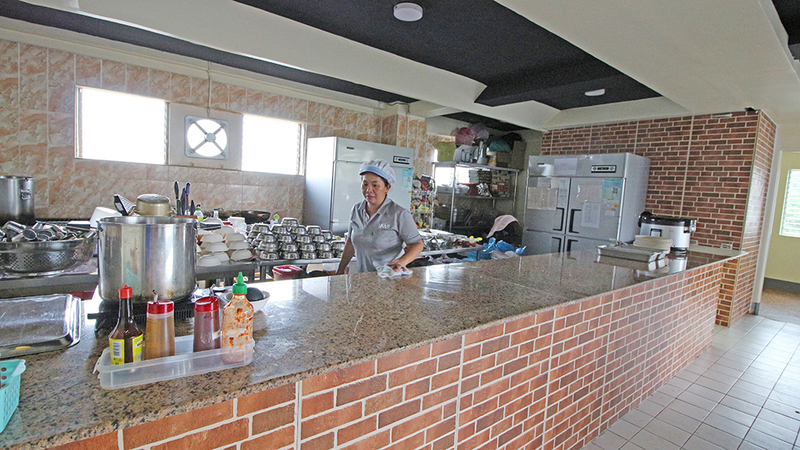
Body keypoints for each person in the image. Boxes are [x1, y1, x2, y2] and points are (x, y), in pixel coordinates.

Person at [336, 159, 424, 274]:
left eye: (375, 185)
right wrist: (340, 270)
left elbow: (417, 244)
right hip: (363, 278)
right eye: (365, 184)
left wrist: (402, 261)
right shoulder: (356, 210)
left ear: (387, 188)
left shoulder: (398, 214)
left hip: (389, 277)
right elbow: (350, 243)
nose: (368, 190)